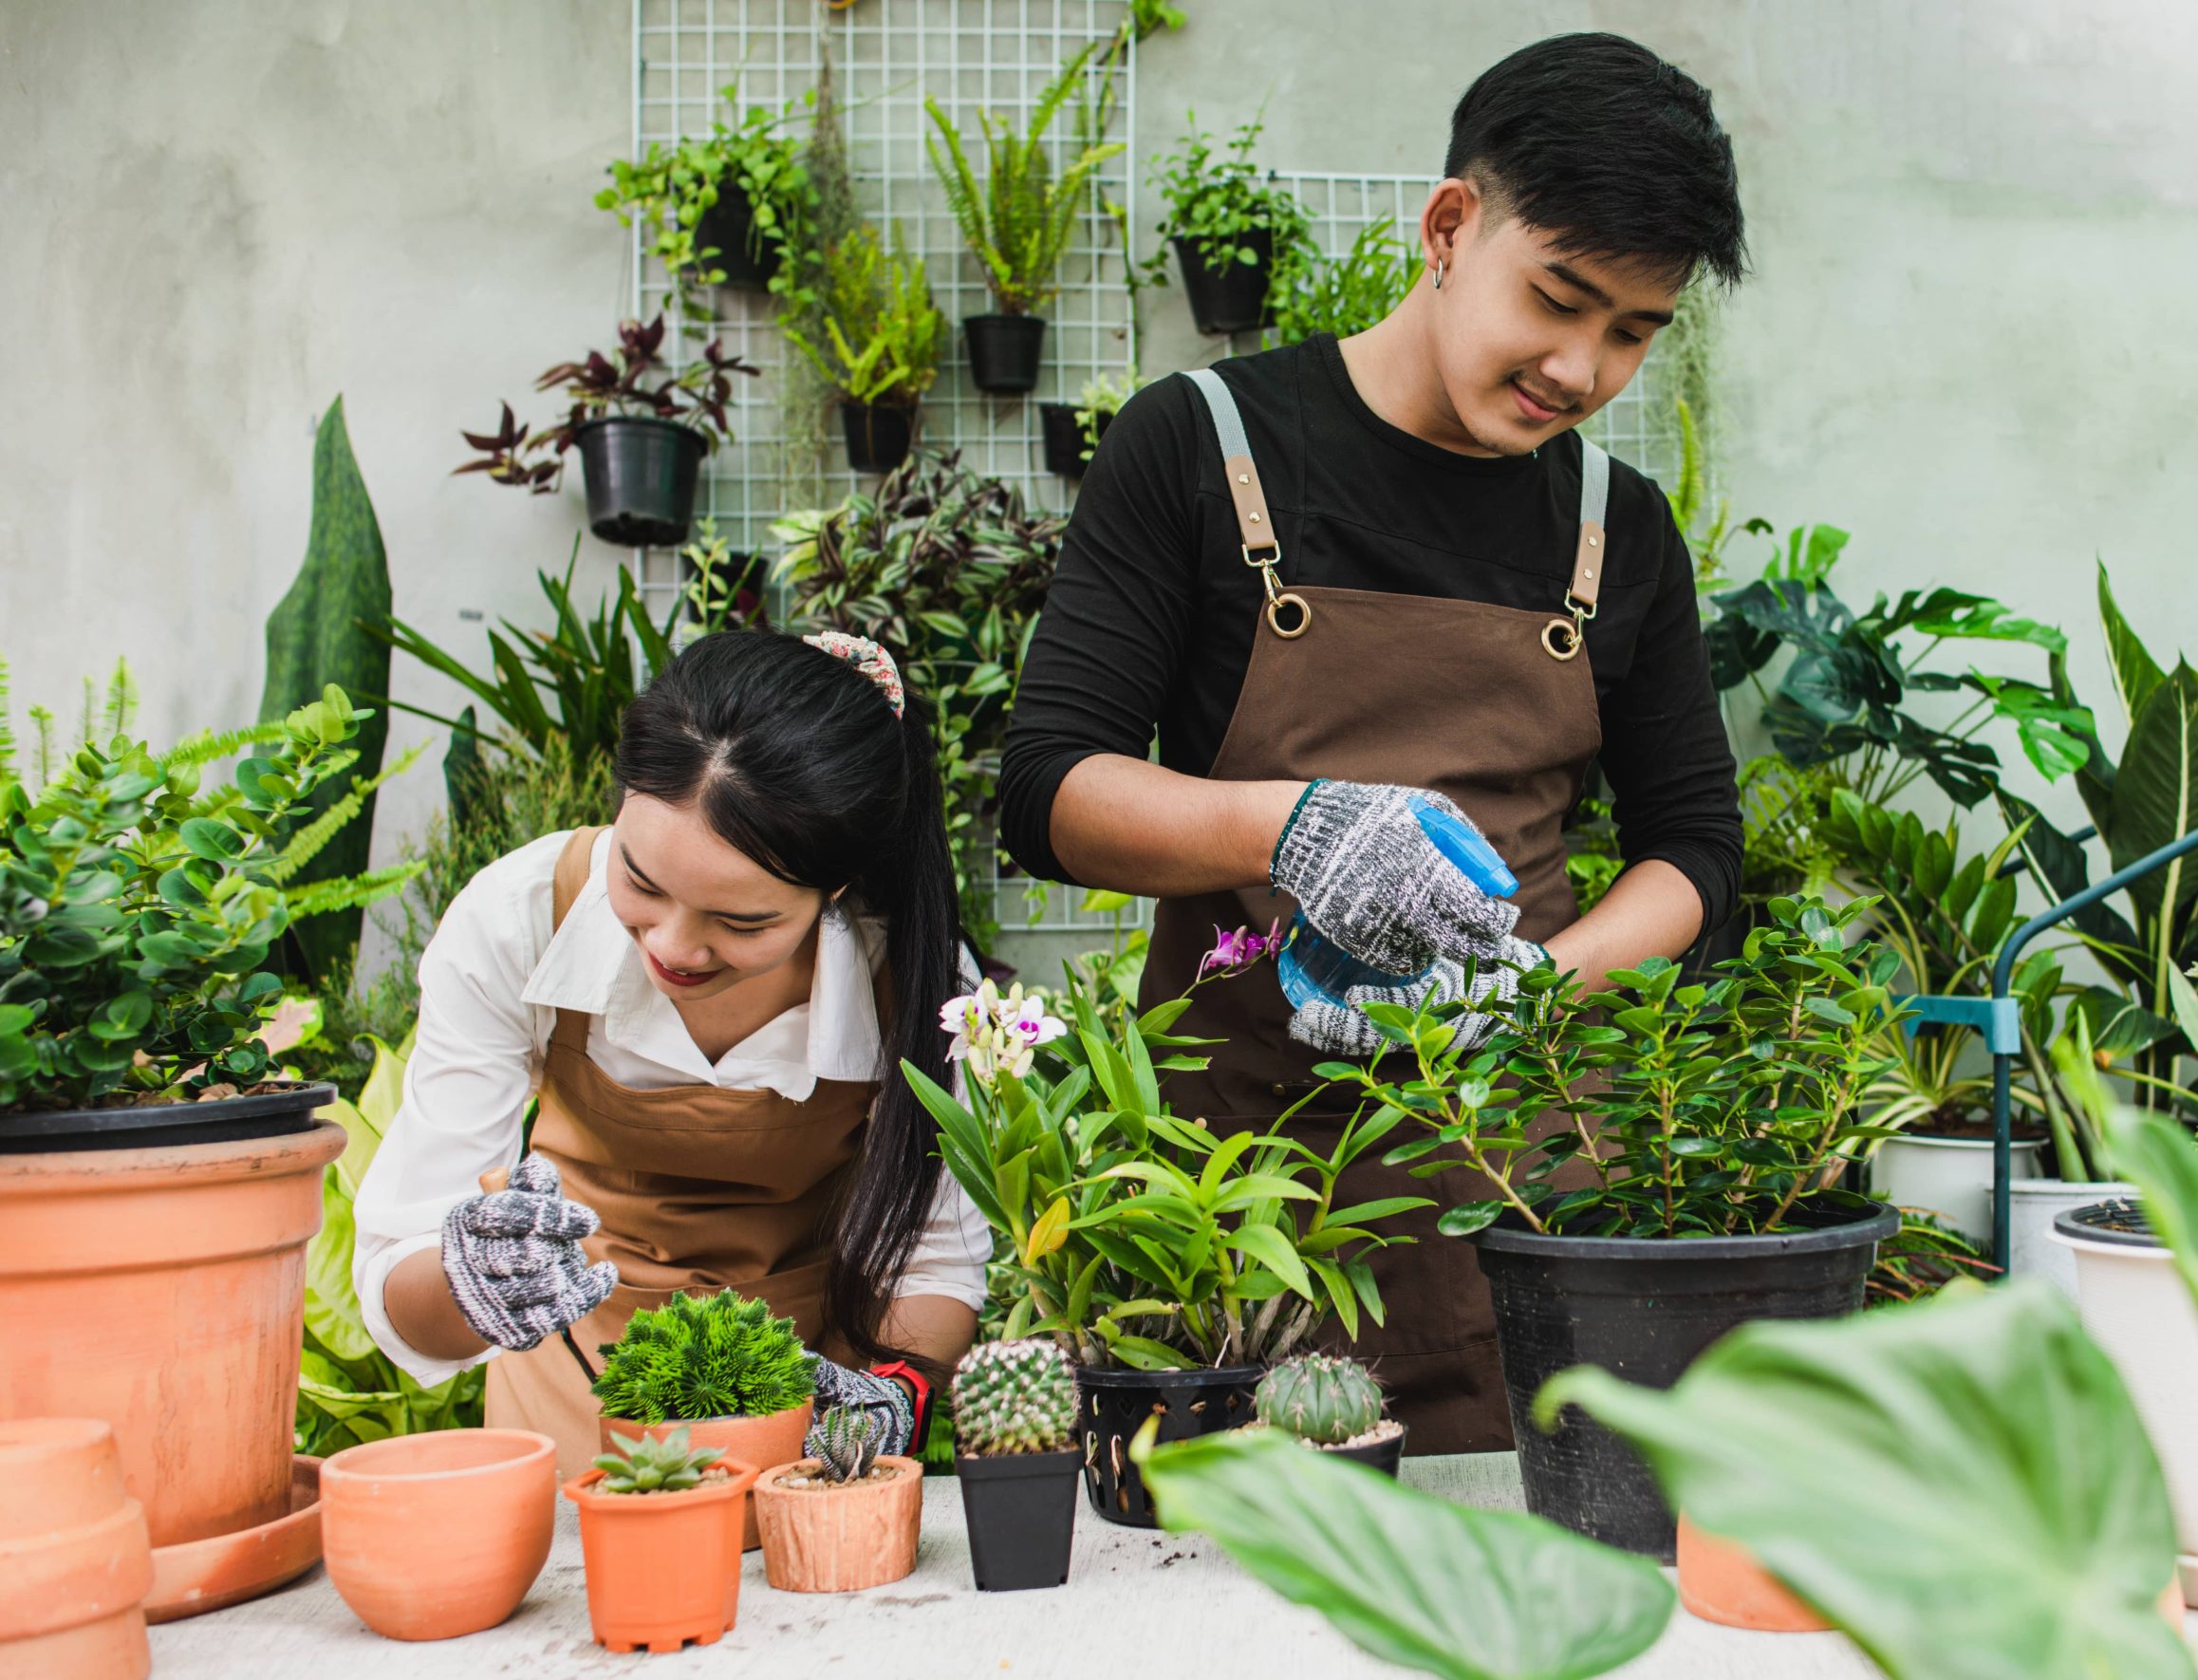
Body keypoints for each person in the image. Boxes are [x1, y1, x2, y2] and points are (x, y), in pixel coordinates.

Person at [998, 33, 1748, 1453]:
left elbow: (1696, 851)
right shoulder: (1197, 447)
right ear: (1451, 227)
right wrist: (1288, 829)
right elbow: (1049, 793)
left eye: (1636, 330)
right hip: (1228, 1212)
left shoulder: (1618, 524)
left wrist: (1530, 991)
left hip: (1515, 1193)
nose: (1583, 367)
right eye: (1561, 299)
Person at [355, 629, 986, 1478]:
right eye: (642, 882)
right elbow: (403, 1270)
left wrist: (891, 1392)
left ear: (834, 889)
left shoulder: (913, 980)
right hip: (570, 1397)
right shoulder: (515, 921)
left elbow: (935, 1261)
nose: (676, 946)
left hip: (805, 1413)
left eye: (743, 921)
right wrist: (478, 1281)